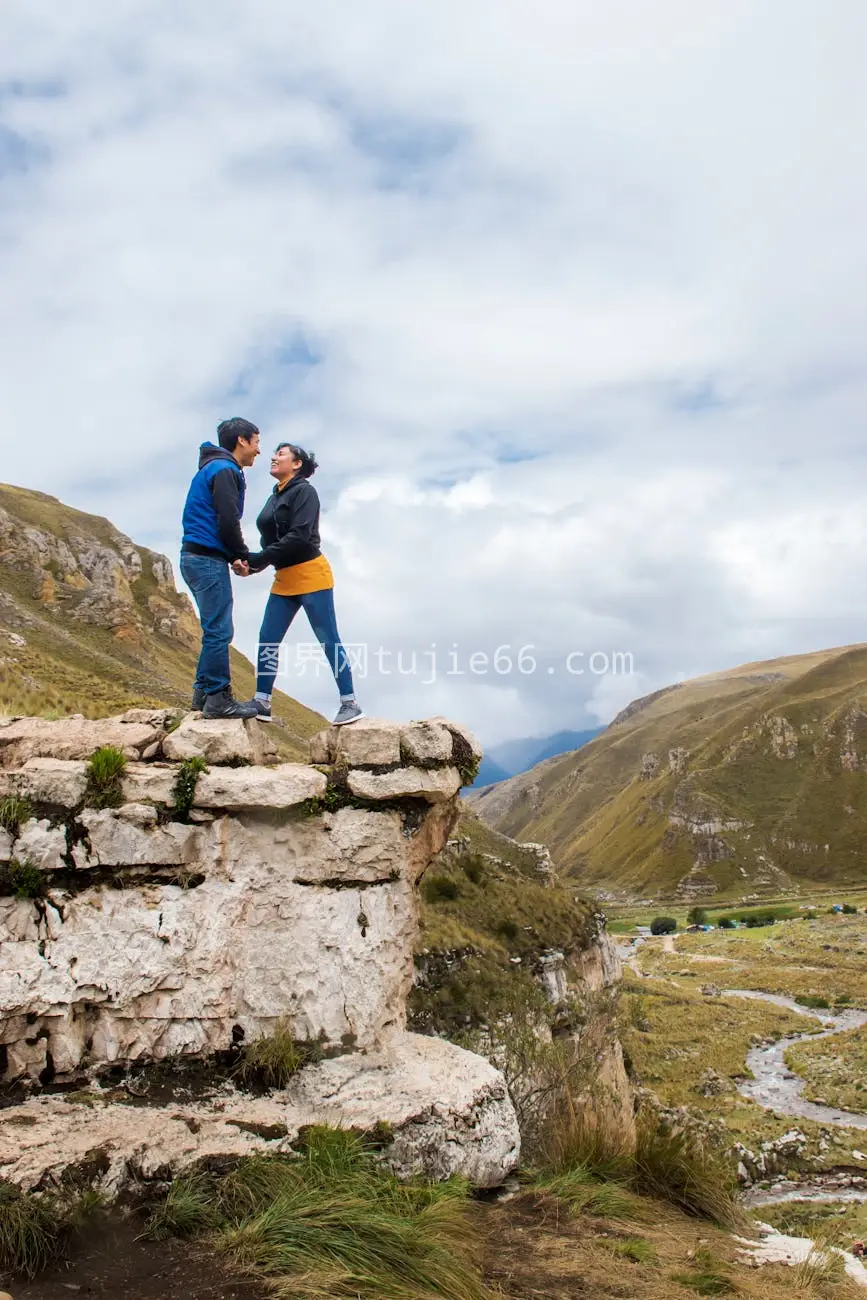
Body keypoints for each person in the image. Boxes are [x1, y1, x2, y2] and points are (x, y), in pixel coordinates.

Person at [243, 442, 363, 726]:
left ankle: (350, 703)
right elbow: (272, 542)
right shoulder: (276, 495)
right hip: (284, 578)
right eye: (275, 453)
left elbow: (298, 536)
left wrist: (258, 559)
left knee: (328, 638)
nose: (273, 457)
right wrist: (253, 563)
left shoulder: (305, 492)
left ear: (297, 464)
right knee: (268, 638)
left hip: (312, 574)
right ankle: (262, 701)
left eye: (281, 454)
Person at [180, 417, 261, 718]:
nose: (258, 450)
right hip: (206, 560)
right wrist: (242, 555)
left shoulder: (213, 468)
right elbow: (227, 520)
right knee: (219, 630)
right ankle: (218, 698)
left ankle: (202, 695)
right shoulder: (225, 470)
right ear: (242, 440)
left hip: (197, 557)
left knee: (214, 628)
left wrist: (233, 556)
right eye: (256, 442)